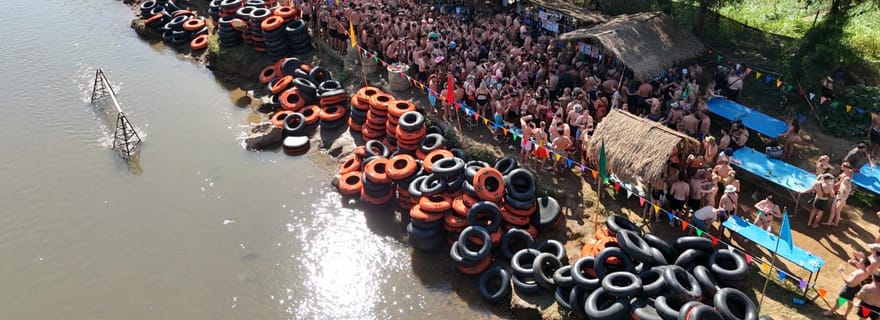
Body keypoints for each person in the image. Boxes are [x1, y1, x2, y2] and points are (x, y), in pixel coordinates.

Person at [825, 162, 854, 226]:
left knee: (837, 212)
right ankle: (829, 222)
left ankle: (836, 223)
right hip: (838, 196)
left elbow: (846, 195)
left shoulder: (847, 186)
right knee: (833, 210)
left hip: (840, 199)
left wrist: (841, 201)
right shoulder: (844, 182)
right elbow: (840, 184)